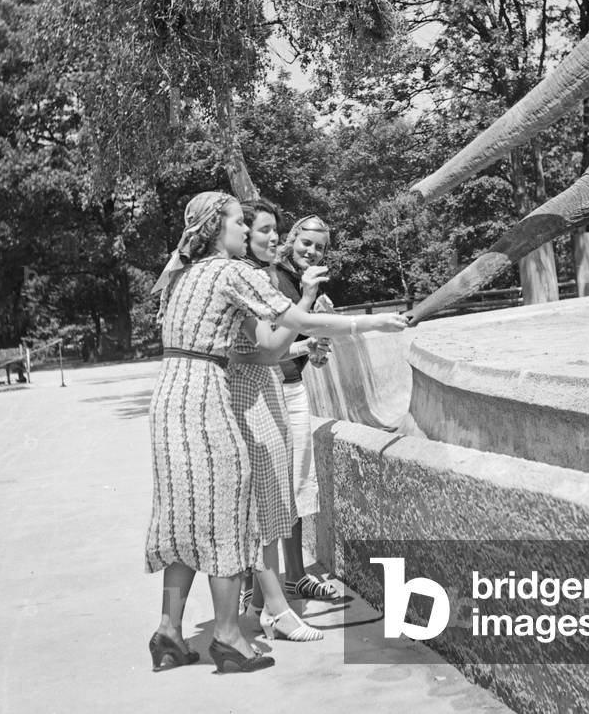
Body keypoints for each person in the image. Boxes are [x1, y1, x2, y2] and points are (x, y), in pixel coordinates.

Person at [145, 191, 406, 674]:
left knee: (181, 521)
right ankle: (227, 637)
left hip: (167, 398)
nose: (246, 230)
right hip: (207, 396)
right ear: (215, 229)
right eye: (238, 223)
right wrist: (373, 322)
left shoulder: (181, 275)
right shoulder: (230, 270)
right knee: (228, 517)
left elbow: (268, 344)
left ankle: (169, 633)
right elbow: (296, 319)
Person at [228, 199, 323, 642]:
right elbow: (268, 348)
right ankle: (260, 602)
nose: (312, 251)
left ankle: (272, 596)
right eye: (262, 229)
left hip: (278, 388)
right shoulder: (247, 279)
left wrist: (311, 343)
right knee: (261, 499)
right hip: (256, 393)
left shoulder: (271, 276)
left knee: (282, 494)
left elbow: (284, 343)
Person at [273, 215, 337, 600]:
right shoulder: (274, 277)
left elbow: (310, 355)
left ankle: (295, 576)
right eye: (306, 243)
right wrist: (308, 301)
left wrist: (320, 341)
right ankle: (255, 586)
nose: (311, 251)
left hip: (295, 388)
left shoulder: (302, 283)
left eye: (319, 248)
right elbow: (273, 338)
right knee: (266, 487)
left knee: (296, 483)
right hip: (269, 389)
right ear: (291, 240)